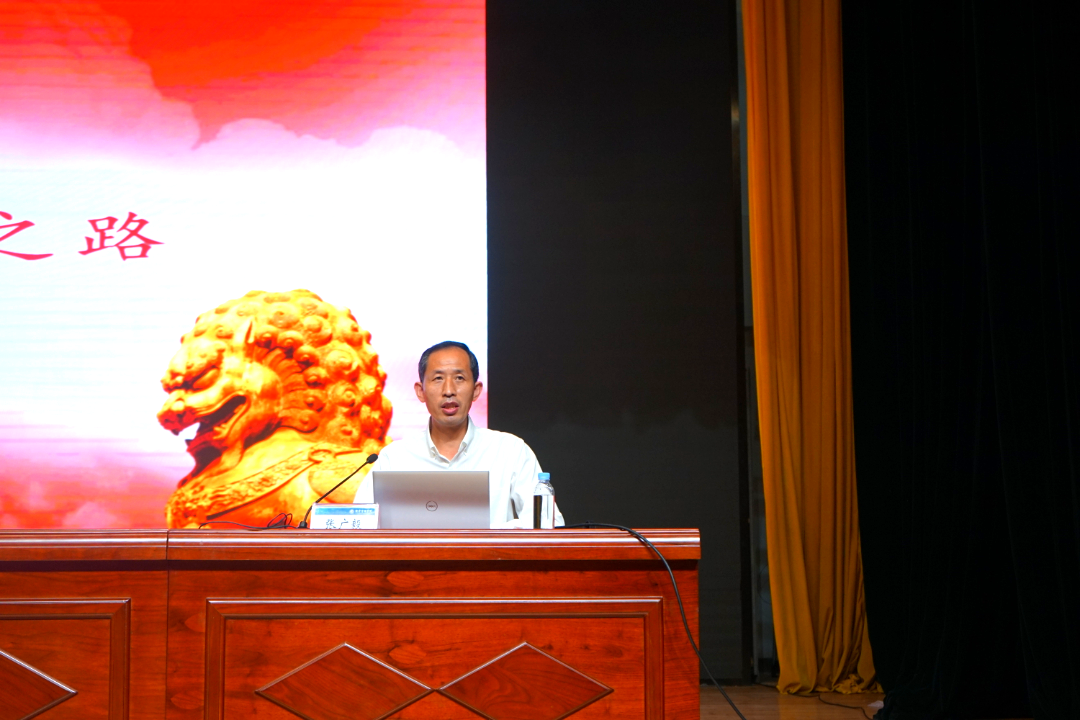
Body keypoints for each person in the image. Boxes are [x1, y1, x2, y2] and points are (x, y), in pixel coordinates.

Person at [353, 341, 564, 528]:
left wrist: (485, 536)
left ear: (476, 390)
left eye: (459, 378)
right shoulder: (394, 458)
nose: (449, 390)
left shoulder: (511, 451)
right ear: (420, 391)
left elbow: (548, 522)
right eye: (438, 378)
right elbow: (359, 525)